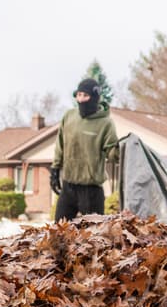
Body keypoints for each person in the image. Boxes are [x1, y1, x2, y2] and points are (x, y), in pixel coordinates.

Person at [49, 78, 118, 221]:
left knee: (93, 236)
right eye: (78, 95)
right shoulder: (69, 116)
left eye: (85, 96)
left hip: (91, 189)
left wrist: (121, 150)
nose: (81, 99)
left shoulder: (105, 123)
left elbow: (112, 152)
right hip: (69, 186)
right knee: (59, 230)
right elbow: (60, 144)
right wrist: (55, 170)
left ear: (94, 98)